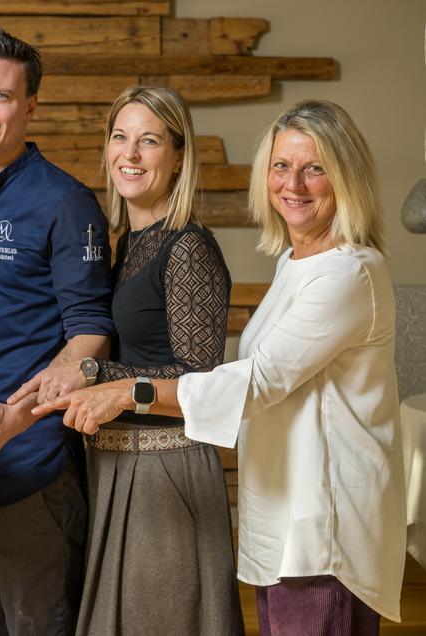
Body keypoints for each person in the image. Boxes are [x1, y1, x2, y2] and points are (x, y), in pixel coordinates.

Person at [36, 99, 407, 634]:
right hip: (282, 520)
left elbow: (255, 382)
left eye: (315, 168)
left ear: (346, 177)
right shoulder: (296, 264)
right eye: (281, 166)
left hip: (323, 530)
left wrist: (120, 390)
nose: (293, 184)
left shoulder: (351, 273)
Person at [12, 85, 243, 635]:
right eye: (120, 137)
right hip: (118, 465)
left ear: (179, 155)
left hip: (168, 470)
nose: (130, 155)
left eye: (149, 141)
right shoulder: (130, 241)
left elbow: (198, 379)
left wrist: (92, 373)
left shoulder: (189, 246)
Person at [0, 30, 114, 636]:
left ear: (31, 104)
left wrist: (18, 417)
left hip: (31, 474)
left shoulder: (67, 202)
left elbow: (92, 333)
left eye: (1, 96)